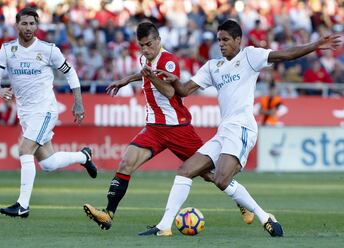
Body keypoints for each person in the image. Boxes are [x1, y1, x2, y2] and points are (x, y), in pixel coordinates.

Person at [138, 20, 341, 237]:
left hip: (243, 127)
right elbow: (185, 90)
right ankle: (164, 226)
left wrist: (315, 45)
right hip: (224, 130)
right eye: (218, 40)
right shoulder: (212, 66)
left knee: (221, 179)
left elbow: (285, 54)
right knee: (185, 170)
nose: (221, 44)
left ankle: (263, 216)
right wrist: (175, 80)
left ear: (238, 40)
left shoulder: (249, 56)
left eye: (225, 40)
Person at [82, 21, 254, 232]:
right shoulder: (144, 58)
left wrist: (151, 76)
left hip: (177, 128)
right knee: (126, 163)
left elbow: (171, 92)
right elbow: (145, 71)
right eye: (141, 45)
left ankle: (242, 202)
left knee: (209, 174)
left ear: (158, 41)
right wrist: (127, 79)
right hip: (153, 128)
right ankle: (108, 214)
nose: (145, 49)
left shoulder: (169, 60)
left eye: (148, 44)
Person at [0, 7, 97, 218]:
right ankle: (83, 156)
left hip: (45, 109)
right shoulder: (7, 50)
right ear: (17, 25)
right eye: (25, 23)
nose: (29, 28)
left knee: (24, 149)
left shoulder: (49, 50)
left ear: (37, 26)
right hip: (26, 113)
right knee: (48, 163)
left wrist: (78, 102)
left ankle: (23, 205)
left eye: (32, 24)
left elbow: (70, 73)